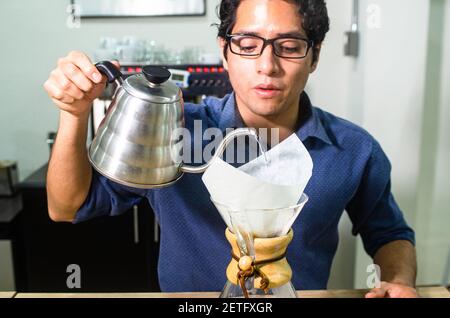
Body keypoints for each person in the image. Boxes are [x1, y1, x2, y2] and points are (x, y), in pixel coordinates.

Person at [43, 0, 417, 298]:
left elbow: (389, 233)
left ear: (314, 56)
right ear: (225, 52)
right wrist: (73, 114)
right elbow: (67, 207)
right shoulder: (175, 128)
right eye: (248, 45)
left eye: (289, 47)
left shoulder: (353, 150)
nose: (267, 66)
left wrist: (400, 281)